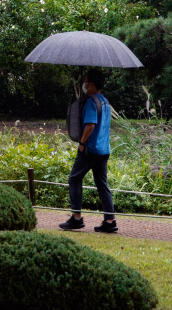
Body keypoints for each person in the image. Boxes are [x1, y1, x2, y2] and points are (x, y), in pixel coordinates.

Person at [59, 69, 117, 233]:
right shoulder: (105, 101)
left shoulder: (92, 102)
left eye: (85, 82)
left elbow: (90, 125)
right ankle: (109, 220)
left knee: (74, 178)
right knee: (102, 184)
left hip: (90, 149)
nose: (84, 85)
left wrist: (82, 143)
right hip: (104, 150)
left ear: (91, 85)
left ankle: (76, 218)